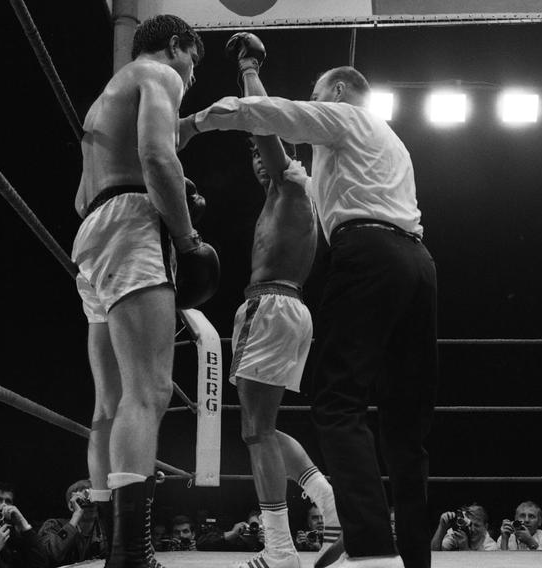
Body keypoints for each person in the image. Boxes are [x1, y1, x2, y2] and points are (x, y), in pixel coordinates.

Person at [181, 36, 436, 568]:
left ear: (339, 92)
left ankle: (359, 544)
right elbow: (269, 131)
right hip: (414, 262)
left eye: (320, 95)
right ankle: (406, 554)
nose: (317, 103)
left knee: (331, 406)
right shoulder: (379, 151)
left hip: (354, 262)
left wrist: (196, 121)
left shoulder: (341, 125)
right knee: (403, 422)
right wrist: (251, 71)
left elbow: (272, 121)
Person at [70, 13, 216, 568]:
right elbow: (157, 156)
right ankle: (131, 555)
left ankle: (114, 545)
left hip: (92, 235)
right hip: (132, 227)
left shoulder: (113, 92)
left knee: (109, 404)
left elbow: (144, 153)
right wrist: (188, 237)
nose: (192, 77)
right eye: (193, 61)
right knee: (149, 392)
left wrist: (190, 140)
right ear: (176, 45)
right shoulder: (160, 75)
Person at [192, 32, 341, 568]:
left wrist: (250, 69)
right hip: (285, 308)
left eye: (263, 153)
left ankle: (280, 549)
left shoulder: (293, 183)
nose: (257, 160)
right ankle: (325, 499)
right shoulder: (295, 198)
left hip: (272, 306)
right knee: (265, 427)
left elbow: (263, 121)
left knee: (255, 432)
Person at [38, 479, 107, 565]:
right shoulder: (54, 525)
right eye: (82, 500)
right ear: (71, 504)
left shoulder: (103, 528)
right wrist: (76, 515)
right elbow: (50, 555)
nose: (90, 503)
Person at [430, 505, 498, 551]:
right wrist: (442, 527)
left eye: (477, 525)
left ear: (486, 527)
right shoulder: (459, 532)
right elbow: (434, 553)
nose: (472, 529)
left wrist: (465, 549)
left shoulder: (491, 547)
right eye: (470, 524)